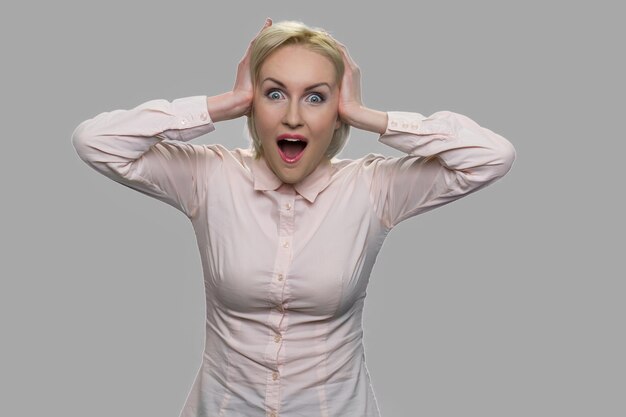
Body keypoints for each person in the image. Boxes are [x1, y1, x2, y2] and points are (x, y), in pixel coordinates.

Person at [72, 18, 516, 417]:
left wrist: (367, 116)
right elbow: (96, 141)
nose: (293, 117)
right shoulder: (209, 177)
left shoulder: (374, 188)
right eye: (274, 93)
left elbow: (490, 157)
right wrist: (224, 103)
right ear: (254, 105)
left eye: (317, 98)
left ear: (337, 111)